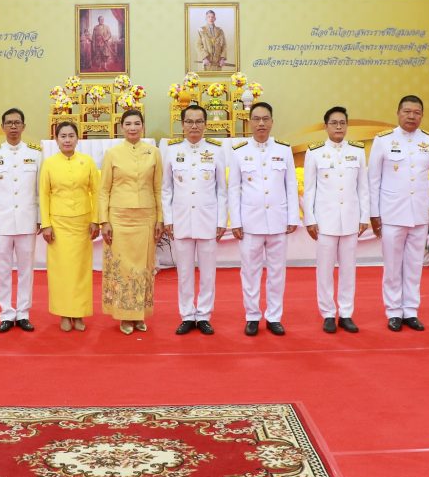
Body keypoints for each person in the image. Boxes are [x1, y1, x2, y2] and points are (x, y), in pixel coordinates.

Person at [368, 95, 429, 332]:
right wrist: (374, 213)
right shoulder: (383, 140)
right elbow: (373, 180)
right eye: (407, 111)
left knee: (414, 266)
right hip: (391, 213)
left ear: (422, 115)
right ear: (398, 113)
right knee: (392, 267)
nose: (412, 116)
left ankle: (410, 310)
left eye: (417, 112)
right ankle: (393, 311)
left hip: (419, 214)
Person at [228, 102, 299, 336]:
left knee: (277, 272)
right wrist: (236, 222)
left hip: (278, 221)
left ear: (272, 122)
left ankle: (274, 317)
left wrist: (292, 216)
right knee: (250, 272)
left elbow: (290, 185)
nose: (261, 123)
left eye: (265, 119)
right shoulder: (239, 151)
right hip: (250, 223)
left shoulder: (283, 150)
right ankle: (252, 316)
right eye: (256, 119)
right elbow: (234, 189)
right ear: (250, 122)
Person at [162, 105, 227, 335]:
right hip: (181, 219)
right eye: (189, 121)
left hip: (208, 219)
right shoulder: (172, 150)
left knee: (208, 273)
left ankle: (204, 315)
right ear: (182, 125)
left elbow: (222, 190)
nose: (194, 126)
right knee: (184, 272)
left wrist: (221, 220)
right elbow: (166, 189)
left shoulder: (216, 150)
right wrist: (168, 218)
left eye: (199, 121)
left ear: (206, 124)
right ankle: (187, 315)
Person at [303, 107, 369, 334]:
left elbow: (363, 187)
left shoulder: (357, 151)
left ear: (347, 125)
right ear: (326, 126)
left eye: (342, 123)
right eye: (334, 123)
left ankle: (347, 313)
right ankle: (328, 314)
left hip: (350, 219)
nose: (339, 127)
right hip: (325, 221)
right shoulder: (315, 152)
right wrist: (310, 219)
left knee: (349, 269)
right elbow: (309, 190)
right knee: (324, 270)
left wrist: (364, 216)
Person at [99, 109, 164, 335]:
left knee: (143, 268)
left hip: (146, 217)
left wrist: (160, 219)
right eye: (128, 124)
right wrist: (104, 221)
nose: (133, 127)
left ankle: (139, 315)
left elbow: (158, 188)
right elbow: (104, 190)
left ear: (143, 127)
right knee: (122, 268)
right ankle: (124, 316)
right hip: (119, 218)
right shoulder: (112, 153)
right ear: (121, 127)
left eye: (137, 123)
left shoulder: (154, 152)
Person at [0, 108, 41, 333]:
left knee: (26, 270)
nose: (13, 127)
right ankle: (6, 313)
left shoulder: (36, 153)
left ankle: (23, 313)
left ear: (24, 126)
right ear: (2, 127)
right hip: (1, 222)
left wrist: (40, 218)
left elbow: (39, 191)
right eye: (9, 123)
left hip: (27, 220)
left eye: (17, 123)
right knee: (3, 270)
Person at [39, 122, 99, 331]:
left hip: (82, 222)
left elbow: (96, 191)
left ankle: (79, 313)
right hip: (58, 224)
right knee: (61, 271)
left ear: (77, 138)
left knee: (81, 270)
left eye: (71, 135)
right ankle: (64, 313)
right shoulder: (49, 164)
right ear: (56, 140)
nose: (67, 140)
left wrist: (95, 219)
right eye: (63, 136)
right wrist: (46, 224)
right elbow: (43, 194)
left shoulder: (87, 161)